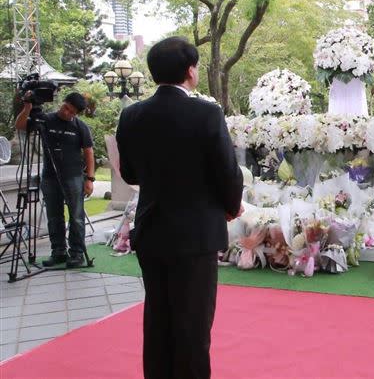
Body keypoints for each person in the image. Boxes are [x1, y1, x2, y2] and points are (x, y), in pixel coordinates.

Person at [116, 37, 243, 378]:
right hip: (195, 235)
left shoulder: (131, 115)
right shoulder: (206, 112)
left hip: (153, 231)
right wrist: (232, 207)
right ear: (190, 70)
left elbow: (128, 172)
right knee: (193, 326)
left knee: (158, 318)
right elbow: (227, 171)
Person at [15, 91, 94, 268]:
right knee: (53, 216)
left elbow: (89, 152)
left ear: (76, 114)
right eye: (65, 108)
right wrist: (27, 107)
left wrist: (90, 179)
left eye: (72, 112)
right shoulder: (45, 120)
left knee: (77, 216)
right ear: (63, 103)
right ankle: (58, 252)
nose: (67, 113)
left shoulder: (81, 127)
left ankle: (77, 254)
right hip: (50, 177)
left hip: (74, 177)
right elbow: (20, 125)